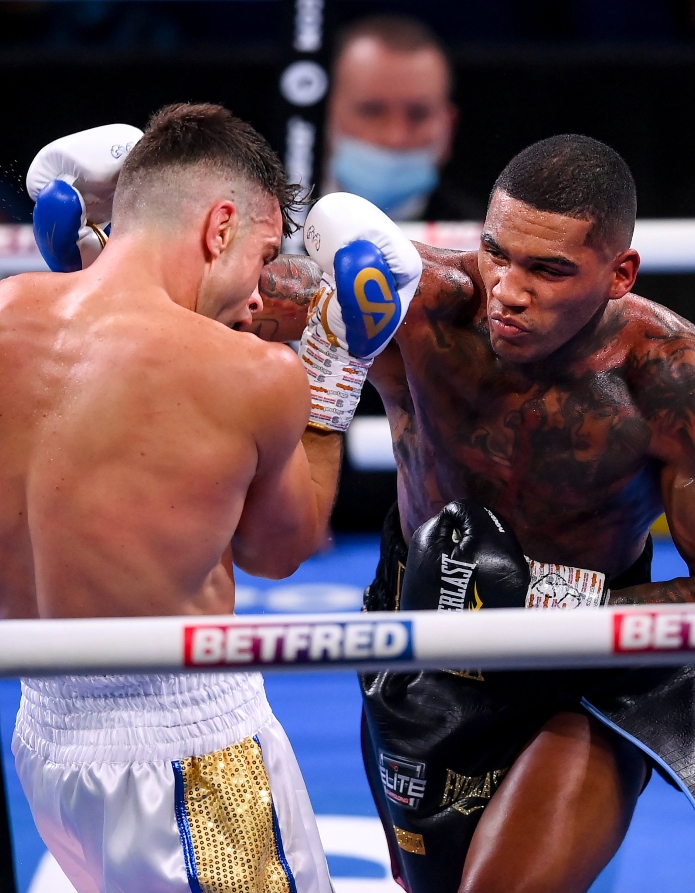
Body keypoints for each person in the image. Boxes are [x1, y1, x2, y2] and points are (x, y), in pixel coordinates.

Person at [246, 134, 695, 893]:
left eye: (548, 269)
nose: (508, 291)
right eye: (496, 253)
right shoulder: (418, 302)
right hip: (419, 642)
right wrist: (110, 242)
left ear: (620, 274)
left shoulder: (667, 380)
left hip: (585, 674)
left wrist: (549, 602)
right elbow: (245, 298)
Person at [8, 102, 349, 893]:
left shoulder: (7, 317)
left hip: (43, 742)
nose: (259, 298)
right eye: (262, 255)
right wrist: (335, 374)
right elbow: (278, 550)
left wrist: (85, 264)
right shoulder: (249, 373)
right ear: (219, 227)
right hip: (192, 756)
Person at [324, 14, 484, 221]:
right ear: (327, 117)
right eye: (372, 111)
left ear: (449, 127)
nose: (395, 137)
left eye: (418, 114)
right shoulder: (282, 226)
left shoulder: (481, 235)